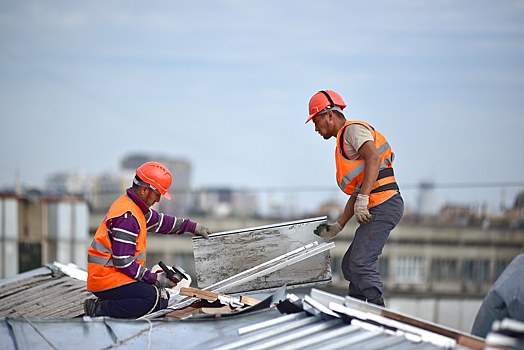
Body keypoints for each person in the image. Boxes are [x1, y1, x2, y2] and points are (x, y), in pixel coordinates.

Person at [306, 90, 404, 307]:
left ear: (329, 115)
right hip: (378, 203)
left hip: (384, 203)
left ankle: (377, 311)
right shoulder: (344, 142)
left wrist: (364, 198)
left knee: (360, 263)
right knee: (350, 264)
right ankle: (357, 306)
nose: (315, 127)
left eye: (316, 120)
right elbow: (358, 190)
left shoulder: (352, 131)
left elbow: (373, 157)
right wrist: (339, 226)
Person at [84, 161, 213, 318]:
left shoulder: (135, 207)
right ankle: (99, 309)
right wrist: (155, 278)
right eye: (158, 194)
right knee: (153, 299)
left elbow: (161, 222)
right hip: (107, 279)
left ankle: (105, 307)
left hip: (115, 275)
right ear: (145, 190)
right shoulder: (128, 216)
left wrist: (193, 227)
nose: (158, 200)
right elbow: (123, 261)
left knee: (159, 296)